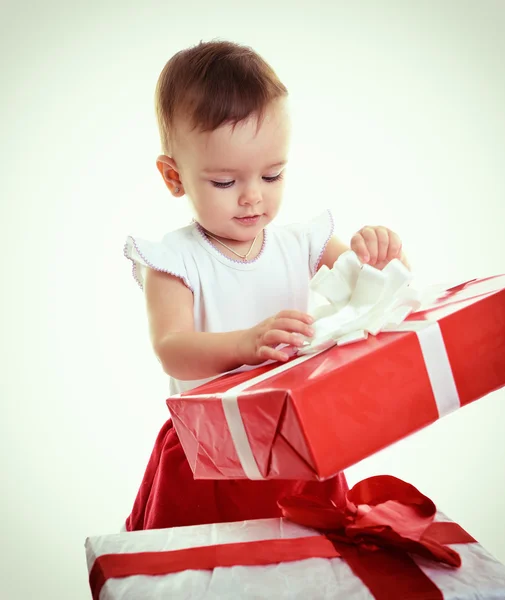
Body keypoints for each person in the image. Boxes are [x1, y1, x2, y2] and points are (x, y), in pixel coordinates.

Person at [123, 40, 409, 531]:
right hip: (211, 451)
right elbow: (171, 349)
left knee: (307, 563)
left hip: (297, 441)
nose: (253, 196)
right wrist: (246, 344)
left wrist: (382, 254)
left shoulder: (303, 244)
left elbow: (373, 293)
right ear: (174, 177)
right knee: (211, 566)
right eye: (224, 182)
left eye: (272, 174)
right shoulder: (174, 261)